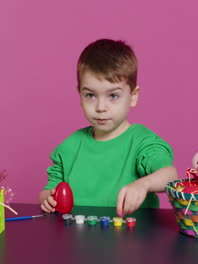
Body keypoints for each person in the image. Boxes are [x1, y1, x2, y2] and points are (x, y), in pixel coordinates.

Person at [39, 39, 178, 216]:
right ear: (79, 95)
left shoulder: (143, 142)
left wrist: (143, 185)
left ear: (133, 96)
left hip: (131, 239)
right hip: (79, 239)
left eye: (113, 96)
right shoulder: (69, 147)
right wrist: (47, 199)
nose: (100, 107)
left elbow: (170, 175)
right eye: (90, 95)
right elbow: (49, 189)